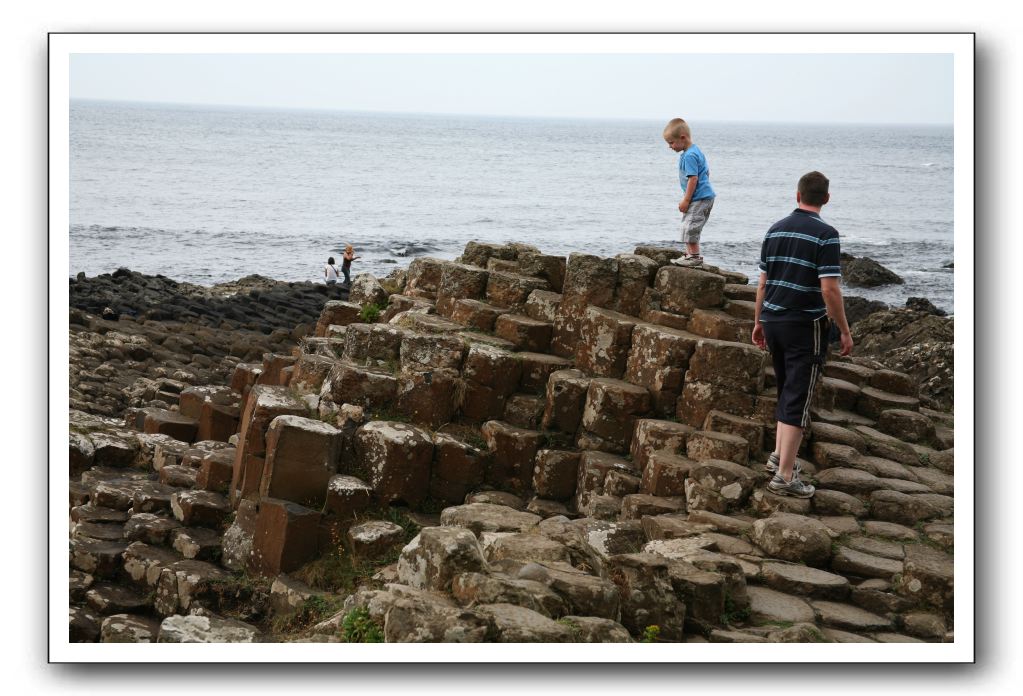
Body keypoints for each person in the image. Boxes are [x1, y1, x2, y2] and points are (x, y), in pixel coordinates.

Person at [751, 171, 854, 498]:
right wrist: (844, 330)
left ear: (797, 195)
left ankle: (779, 457)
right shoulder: (826, 235)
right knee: (798, 397)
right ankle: (784, 477)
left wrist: (758, 321)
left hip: (772, 319)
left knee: (787, 390)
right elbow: (830, 289)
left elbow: (763, 283)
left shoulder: (774, 229)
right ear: (826, 198)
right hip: (803, 325)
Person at [663, 118, 716, 267]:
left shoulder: (689, 156)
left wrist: (686, 200)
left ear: (682, 138)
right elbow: (707, 172)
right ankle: (690, 255)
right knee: (689, 224)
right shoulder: (695, 150)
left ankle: (694, 257)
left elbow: (693, 179)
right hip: (703, 196)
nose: (670, 146)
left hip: (700, 198)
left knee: (690, 226)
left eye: (671, 143)